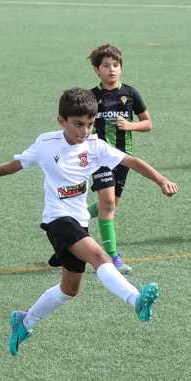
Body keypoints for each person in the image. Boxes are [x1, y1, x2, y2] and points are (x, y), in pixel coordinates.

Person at [0, 87, 178, 356]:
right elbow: (17, 164)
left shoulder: (95, 146)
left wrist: (161, 180)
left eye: (90, 124)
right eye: (78, 124)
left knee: (69, 289)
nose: (85, 130)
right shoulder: (46, 144)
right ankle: (135, 300)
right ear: (62, 121)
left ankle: (24, 322)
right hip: (57, 220)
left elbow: (131, 161)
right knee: (99, 256)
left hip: (79, 220)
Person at [77, 43, 152, 275]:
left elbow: (148, 123)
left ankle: (73, 220)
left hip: (123, 157)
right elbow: (80, 125)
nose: (111, 69)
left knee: (110, 205)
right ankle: (113, 256)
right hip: (99, 158)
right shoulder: (92, 97)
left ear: (121, 68)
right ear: (96, 70)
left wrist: (130, 125)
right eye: (106, 66)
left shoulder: (130, 94)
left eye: (115, 65)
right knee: (108, 203)